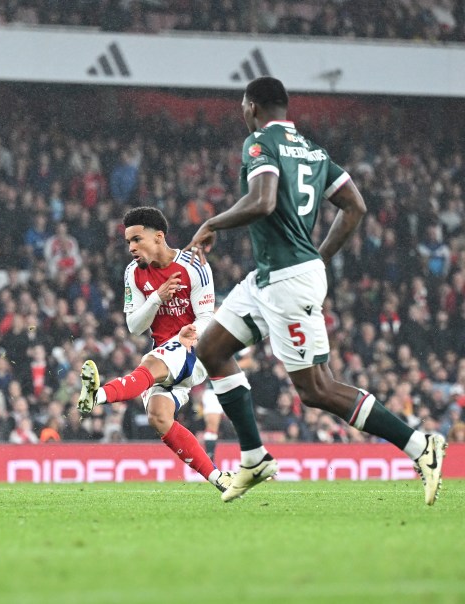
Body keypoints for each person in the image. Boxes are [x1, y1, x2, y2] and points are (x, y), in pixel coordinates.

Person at [185, 76, 447, 504]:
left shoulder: (259, 144)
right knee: (212, 349)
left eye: (242, 108)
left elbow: (264, 200)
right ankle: (253, 458)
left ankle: (421, 447)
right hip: (271, 277)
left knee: (317, 390)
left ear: (252, 107)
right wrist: (318, 256)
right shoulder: (313, 151)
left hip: (287, 281)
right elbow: (355, 206)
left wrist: (213, 222)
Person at [77, 206, 232, 493]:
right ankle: (219, 478)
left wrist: (191, 334)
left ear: (159, 237)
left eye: (137, 240)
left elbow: (207, 315)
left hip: (197, 348)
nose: (132, 248)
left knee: (150, 364)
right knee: (159, 417)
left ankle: (96, 395)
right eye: (128, 243)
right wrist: (157, 299)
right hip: (167, 352)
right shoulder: (133, 273)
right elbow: (135, 325)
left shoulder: (194, 265)